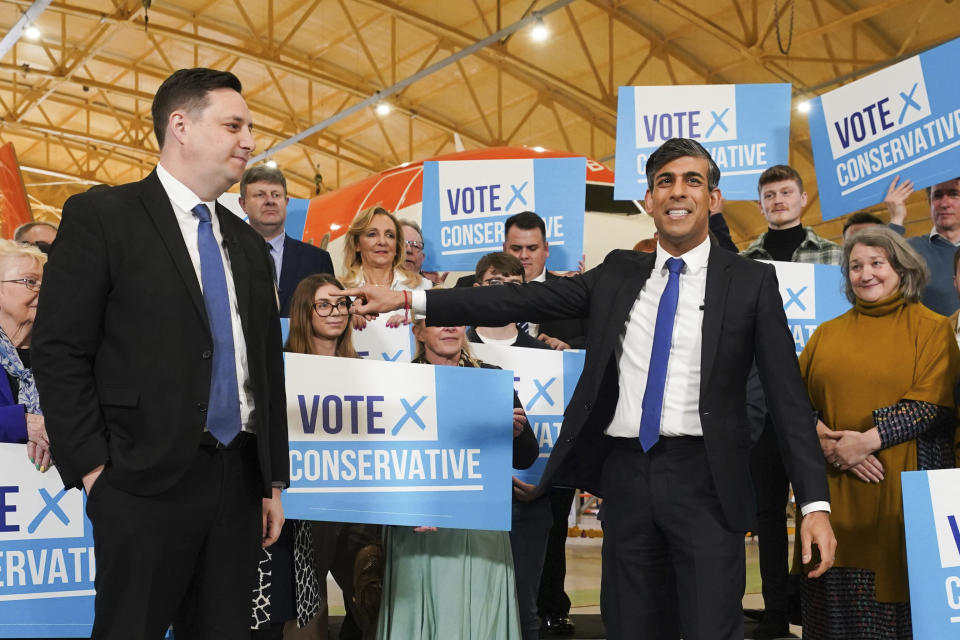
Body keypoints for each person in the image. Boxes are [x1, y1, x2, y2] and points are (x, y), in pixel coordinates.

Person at [346, 137, 837, 640]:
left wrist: (815, 506)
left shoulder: (751, 281)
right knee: (630, 626)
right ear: (648, 200)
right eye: (664, 181)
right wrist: (410, 299)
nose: (677, 192)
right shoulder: (620, 271)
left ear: (713, 199)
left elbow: (788, 399)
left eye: (693, 180)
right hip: (625, 479)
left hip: (708, 482)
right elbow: (518, 297)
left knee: (711, 627)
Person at [31, 68, 288, 639]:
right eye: (233, 124)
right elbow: (59, 348)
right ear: (181, 125)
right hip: (138, 482)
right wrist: (96, 472)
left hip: (239, 480)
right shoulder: (104, 217)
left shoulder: (246, 243)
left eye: (249, 127)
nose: (248, 140)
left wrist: (271, 483)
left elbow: (266, 370)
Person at [796, 226, 959, 639]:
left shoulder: (934, 328)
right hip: (836, 498)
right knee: (834, 611)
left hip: (904, 505)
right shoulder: (825, 334)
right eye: (855, 266)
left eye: (876, 263)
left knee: (901, 619)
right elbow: (795, 402)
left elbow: (934, 404)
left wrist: (865, 442)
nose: (865, 273)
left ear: (902, 268)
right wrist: (825, 441)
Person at [376, 321, 538, 640]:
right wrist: (406, 510)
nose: (449, 329)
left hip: (481, 525)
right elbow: (386, 461)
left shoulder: (492, 377)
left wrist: (514, 435)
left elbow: (526, 457)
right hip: (420, 528)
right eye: (438, 322)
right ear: (418, 333)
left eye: (455, 321)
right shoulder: (397, 383)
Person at [738, 164, 842, 638]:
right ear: (760, 205)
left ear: (802, 199)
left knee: (819, 507)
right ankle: (776, 613)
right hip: (761, 398)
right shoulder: (743, 262)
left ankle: (818, 610)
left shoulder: (835, 258)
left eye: (785, 192)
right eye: (769, 194)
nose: (777, 200)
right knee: (766, 512)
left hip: (818, 400)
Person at [253, 273, 378, 640]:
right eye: (323, 305)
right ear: (304, 312)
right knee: (307, 616)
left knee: (373, 600)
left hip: (357, 505)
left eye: (341, 303)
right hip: (301, 509)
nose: (335, 312)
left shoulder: (365, 370)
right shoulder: (282, 367)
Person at [465, 251, 551, 640]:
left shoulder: (547, 354)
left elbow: (559, 431)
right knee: (470, 606)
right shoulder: (453, 346)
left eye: (513, 287)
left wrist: (543, 482)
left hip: (529, 498)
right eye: (494, 284)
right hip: (468, 499)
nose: (503, 295)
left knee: (522, 608)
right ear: (476, 287)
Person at [239, 166, 333, 317]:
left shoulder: (317, 260)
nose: (270, 201)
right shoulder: (226, 256)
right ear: (243, 204)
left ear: (286, 202)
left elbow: (330, 314)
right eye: (260, 195)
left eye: (276, 195)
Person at [0, 240, 51, 472]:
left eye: (47, 283)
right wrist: (23, 423)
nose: (43, 291)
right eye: (30, 282)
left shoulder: (65, 353)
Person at [342, 207, 430, 333]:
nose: (382, 242)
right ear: (357, 244)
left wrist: (417, 324)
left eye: (390, 235)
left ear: (397, 246)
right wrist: (345, 321)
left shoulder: (422, 287)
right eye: (372, 234)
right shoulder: (342, 290)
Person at [886, 175, 960, 315]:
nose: (944, 203)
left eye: (954, 194)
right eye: (937, 196)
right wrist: (896, 219)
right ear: (929, 203)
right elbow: (877, 270)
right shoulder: (910, 250)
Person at [468, 252, 550, 349]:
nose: (505, 292)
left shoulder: (542, 351)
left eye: (514, 284)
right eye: (495, 283)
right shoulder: (457, 347)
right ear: (477, 290)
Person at [399, 219, 447, 287]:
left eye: (416, 246)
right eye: (402, 244)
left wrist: (437, 291)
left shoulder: (428, 286)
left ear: (423, 258)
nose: (409, 250)